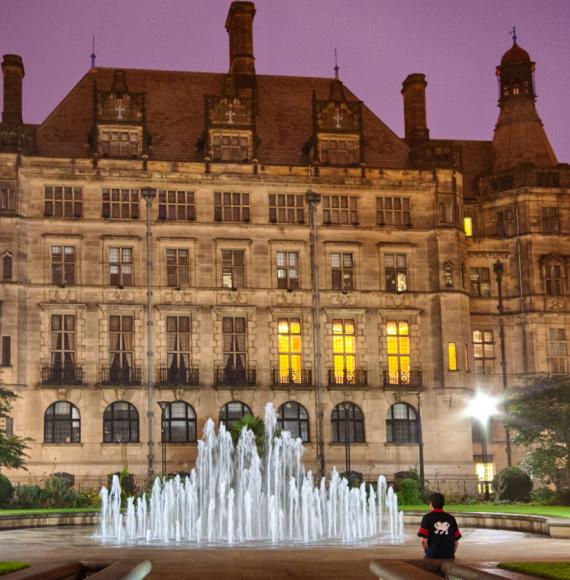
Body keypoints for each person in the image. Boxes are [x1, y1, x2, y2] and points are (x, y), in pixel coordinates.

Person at [417, 492, 461, 559]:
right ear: (443, 504)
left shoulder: (427, 518)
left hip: (433, 555)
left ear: (431, 504)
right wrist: (451, 554)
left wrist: (427, 552)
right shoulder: (451, 518)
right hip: (448, 556)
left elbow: (423, 540)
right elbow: (456, 542)